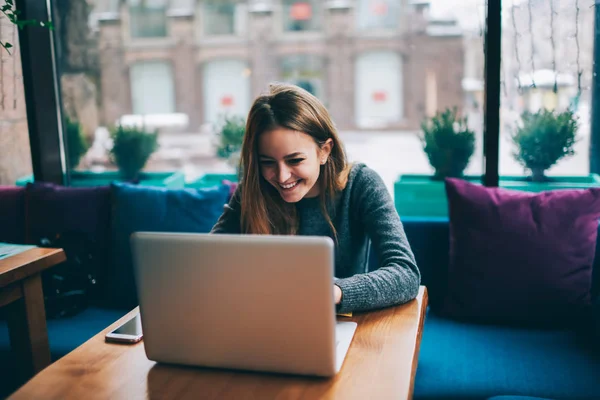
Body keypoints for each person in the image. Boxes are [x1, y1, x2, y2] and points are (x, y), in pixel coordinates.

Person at [211, 83, 420, 313]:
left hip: (339, 322)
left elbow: (406, 273)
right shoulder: (252, 190)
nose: (282, 177)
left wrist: (336, 291)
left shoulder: (361, 185)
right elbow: (208, 262)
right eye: (267, 162)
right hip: (263, 318)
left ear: (325, 151)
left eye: (295, 160)